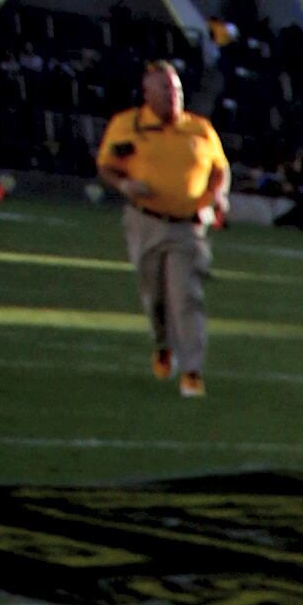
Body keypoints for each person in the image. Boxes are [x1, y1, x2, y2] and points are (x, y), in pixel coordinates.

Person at [94, 59, 227, 399]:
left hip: (188, 227)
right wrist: (125, 186)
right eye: (165, 89)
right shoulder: (128, 125)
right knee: (155, 297)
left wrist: (216, 198)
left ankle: (192, 371)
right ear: (148, 92)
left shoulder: (200, 129)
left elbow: (219, 170)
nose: (173, 95)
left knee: (186, 296)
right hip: (146, 221)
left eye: (177, 89)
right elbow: (107, 166)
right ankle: (162, 344)